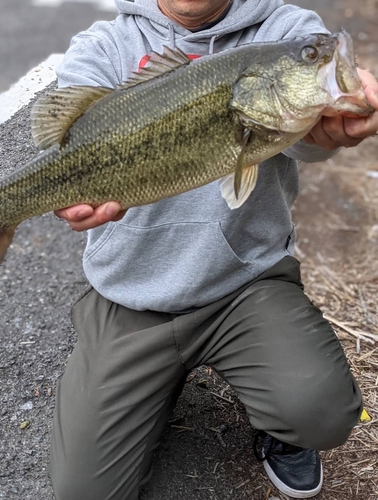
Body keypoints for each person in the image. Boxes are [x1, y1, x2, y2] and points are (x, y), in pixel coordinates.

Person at [50, 0, 378, 498]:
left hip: (245, 286)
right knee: (84, 492)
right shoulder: (102, 49)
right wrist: (60, 188)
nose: (320, 58)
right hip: (133, 295)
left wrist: (332, 126)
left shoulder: (286, 31)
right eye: (313, 58)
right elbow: (59, 148)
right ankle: (150, 387)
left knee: (321, 412)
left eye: (314, 58)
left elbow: (307, 140)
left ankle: (280, 425)